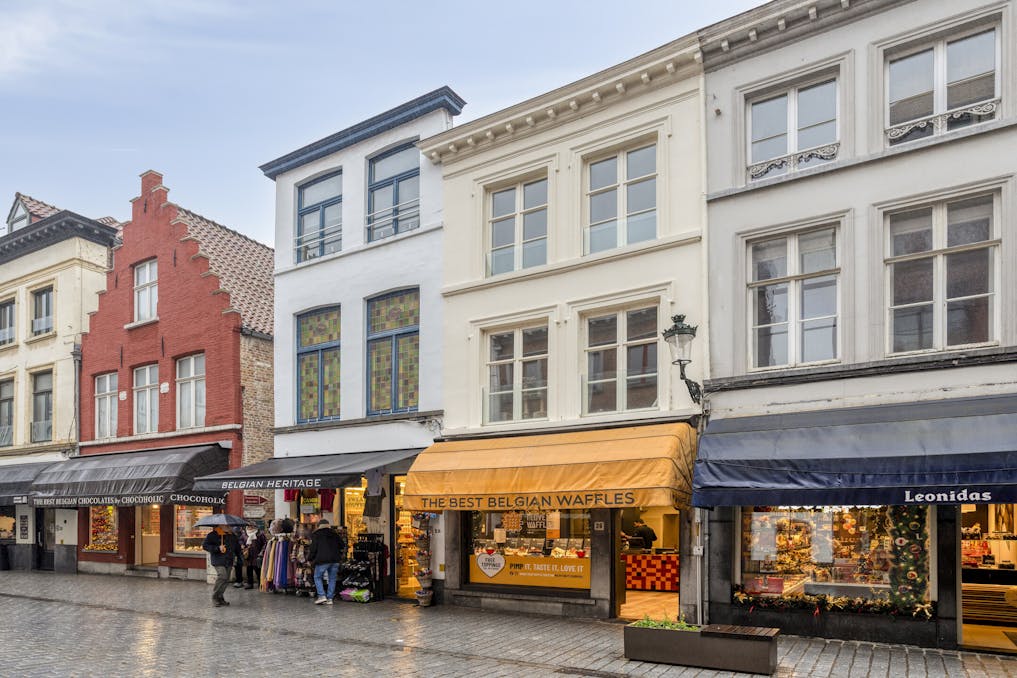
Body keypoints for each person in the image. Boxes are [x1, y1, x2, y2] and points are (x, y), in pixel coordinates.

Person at [203, 525, 239, 607]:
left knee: (226, 580)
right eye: (227, 525)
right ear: (221, 525)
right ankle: (215, 597)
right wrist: (217, 548)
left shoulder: (232, 535)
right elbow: (205, 546)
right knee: (222, 576)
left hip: (229, 560)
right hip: (218, 560)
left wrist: (239, 557)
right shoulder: (213, 535)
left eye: (229, 525)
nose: (229, 527)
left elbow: (237, 548)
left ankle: (220, 597)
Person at [308, 519, 342, 605]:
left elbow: (313, 549)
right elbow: (342, 545)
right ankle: (330, 598)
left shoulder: (316, 534)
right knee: (332, 579)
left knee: (317, 577)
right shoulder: (334, 533)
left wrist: (310, 559)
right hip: (335, 560)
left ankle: (322, 596)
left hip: (322, 560)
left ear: (319, 526)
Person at [243, 524, 267, 590]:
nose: (250, 527)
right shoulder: (245, 534)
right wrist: (242, 545)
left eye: (251, 526)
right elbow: (241, 541)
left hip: (257, 554)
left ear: (255, 526)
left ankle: (260, 582)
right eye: (248, 526)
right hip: (248, 555)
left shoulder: (260, 534)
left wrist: (262, 552)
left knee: (258, 569)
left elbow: (265, 544)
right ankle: (250, 583)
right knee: (249, 569)